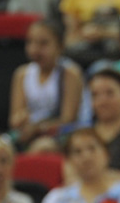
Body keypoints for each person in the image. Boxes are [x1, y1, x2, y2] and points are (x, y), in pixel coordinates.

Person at [9, 19, 85, 152]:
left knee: (43, 147)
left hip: (60, 134)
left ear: (60, 46)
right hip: (29, 132)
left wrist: (39, 128)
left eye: (43, 44)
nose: (35, 49)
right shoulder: (21, 74)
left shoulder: (70, 74)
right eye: (30, 42)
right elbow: (15, 117)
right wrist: (20, 120)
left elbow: (68, 119)